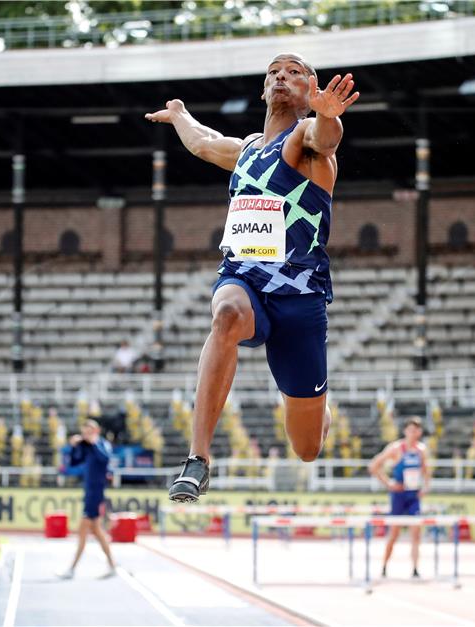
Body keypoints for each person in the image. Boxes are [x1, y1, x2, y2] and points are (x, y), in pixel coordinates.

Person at [146, 52, 359, 502]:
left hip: (300, 299)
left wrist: (328, 116)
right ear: (264, 89)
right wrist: (182, 116)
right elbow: (204, 143)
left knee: (306, 447)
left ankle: (318, 410)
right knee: (225, 313)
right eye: (274, 72)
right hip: (244, 277)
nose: (282, 75)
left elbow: (327, 137)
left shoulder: (306, 139)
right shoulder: (246, 151)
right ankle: (197, 460)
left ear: (309, 90)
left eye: (295, 72)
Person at [368, 416, 430, 579]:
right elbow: (374, 466)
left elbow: (426, 471)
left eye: (416, 430)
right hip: (398, 495)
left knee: (416, 533)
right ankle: (384, 566)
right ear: (405, 431)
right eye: (410, 429)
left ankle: (415, 569)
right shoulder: (396, 448)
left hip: (413, 495)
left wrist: (425, 487)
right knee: (394, 534)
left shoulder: (421, 450)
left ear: (420, 432)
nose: (413, 432)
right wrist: (388, 484)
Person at [58, 420, 116, 579]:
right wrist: (74, 446)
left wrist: (93, 443)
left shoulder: (102, 444)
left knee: (83, 531)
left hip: (96, 493)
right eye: (84, 432)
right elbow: (74, 461)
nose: (86, 435)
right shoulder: (86, 446)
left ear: (96, 430)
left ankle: (72, 568)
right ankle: (112, 565)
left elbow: (105, 459)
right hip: (89, 491)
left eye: (89, 432)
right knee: (97, 532)